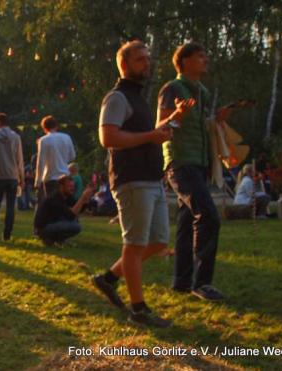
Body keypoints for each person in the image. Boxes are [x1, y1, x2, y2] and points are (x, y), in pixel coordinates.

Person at [92, 40, 181, 327]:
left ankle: (108, 279)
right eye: (141, 59)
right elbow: (108, 138)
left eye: (148, 58)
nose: (148, 63)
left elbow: (148, 134)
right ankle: (139, 310)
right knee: (134, 245)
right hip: (132, 180)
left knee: (157, 242)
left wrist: (172, 120)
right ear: (125, 64)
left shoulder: (139, 98)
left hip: (151, 178)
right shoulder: (117, 97)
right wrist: (150, 137)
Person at [158, 42, 233, 301]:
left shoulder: (202, 92)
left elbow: (200, 127)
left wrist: (217, 120)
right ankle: (202, 283)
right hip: (180, 162)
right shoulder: (172, 88)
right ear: (185, 61)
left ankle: (181, 281)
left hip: (199, 161)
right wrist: (178, 113)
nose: (206, 59)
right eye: (201, 56)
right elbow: (161, 126)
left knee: (187, 221)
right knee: (209, 216)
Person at [0, 113, 24, 241]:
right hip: (12, 176)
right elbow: (20, 160)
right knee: (10, 207)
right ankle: (7, 234)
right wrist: (21, 178)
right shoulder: (16, 137)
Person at [34, 175, 94, 246]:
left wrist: (85, 200)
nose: (72, 189)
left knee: (75, 222)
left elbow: (78, 210)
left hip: (52, 223)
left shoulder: (67, 196)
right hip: (43, 228)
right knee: (76, 227)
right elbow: (70, 215)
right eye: (69, 186)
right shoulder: (55, 198)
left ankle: (55, 240)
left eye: (72, 187)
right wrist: (82, 198)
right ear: (61, 187)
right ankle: (50, 238)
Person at [34, 115, 76, 203]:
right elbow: (72, 156)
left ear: (44, 128)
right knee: (64, 204)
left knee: (52, 205)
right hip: (65, 175)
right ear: (56, 126)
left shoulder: (43, 140)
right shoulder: (66, 137)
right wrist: (63, 159)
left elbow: (40, 162)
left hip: (51, 177)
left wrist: (38, 181)